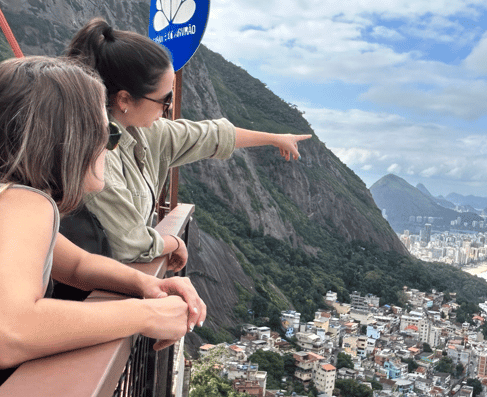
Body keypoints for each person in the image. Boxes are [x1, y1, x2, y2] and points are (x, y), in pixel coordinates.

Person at [0, 56, 206, 381]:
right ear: (70, 139)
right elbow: (10, 331)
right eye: (109, 132)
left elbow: (77, 265)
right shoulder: (22, 201)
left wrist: (149, 284)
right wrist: (146, 313)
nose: (112, 146)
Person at [63, 18, 312, 270]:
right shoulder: (96, 151)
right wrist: (174, 243)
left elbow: (209, 135)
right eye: (164, 100)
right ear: (125, 99)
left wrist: (275, 138)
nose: (167, 109)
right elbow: (132, 243)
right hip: (84, 297)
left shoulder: (142, 131)